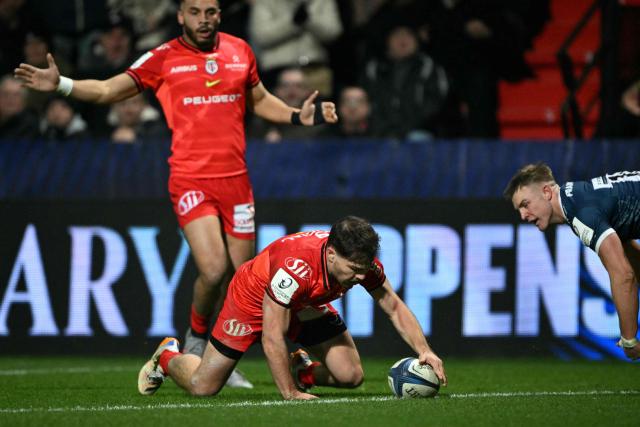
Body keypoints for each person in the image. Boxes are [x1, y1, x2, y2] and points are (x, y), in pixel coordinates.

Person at [15, 0, 338, 387]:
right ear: (181, 15)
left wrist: (294, 115)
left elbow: (260, 100)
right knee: (214, 268)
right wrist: (62, 84)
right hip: (191, 179)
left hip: (236, 181)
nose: (204, 19)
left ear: (219, 15)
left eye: (211, 11)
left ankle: (226, 351)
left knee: (244, 276)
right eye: (195, 11)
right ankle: (196, 342)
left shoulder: (240, 51)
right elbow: (107, 89)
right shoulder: (163, 58)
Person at [137, 216, 447, 399]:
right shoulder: (295, 268)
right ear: (331, 255)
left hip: (305, 302)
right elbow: (273, 335)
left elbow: (393, 305)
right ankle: (167, 356)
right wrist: (289, 394)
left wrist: (425, 349)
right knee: (202, 387)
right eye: (354, 269)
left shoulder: (362, 263)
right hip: (252, 301)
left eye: (364, 268)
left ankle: (304, 371)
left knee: (351, 376)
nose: (361, 277)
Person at [504, 163, 640, 361]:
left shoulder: (581, 211)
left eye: (525, 204)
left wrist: (629, 340)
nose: (523, 215)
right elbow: (632, 265)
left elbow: (623, 275)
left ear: (546, 192)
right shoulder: (577, 200)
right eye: (519, 209)